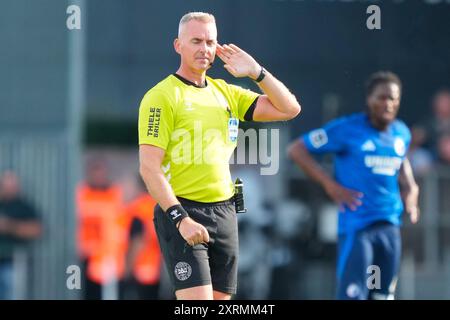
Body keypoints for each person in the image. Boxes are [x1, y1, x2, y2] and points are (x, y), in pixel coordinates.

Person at [138, 12, 300, 300]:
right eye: (196, 41)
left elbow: (289, 109)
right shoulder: (161, 96)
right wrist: (181, 219)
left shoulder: (225, 92)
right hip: (184, 210)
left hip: (224, 213)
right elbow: (149, 168)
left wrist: (256, 72)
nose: (204, 49)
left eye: (211, 42)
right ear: (178, 45)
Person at [288, 71, 419, 300]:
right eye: (382, 97)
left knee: (382, 296)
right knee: (354, 295)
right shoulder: (347, 129)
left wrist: (412, 191)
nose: (388, 104)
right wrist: (330, 185)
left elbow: (402, 162)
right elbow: (296, 149)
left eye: (393, 98)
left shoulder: (401, 132)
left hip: (390, 228)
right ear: (369, 99)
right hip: (358, 227)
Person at [76, 158, 128, 300]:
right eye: (95, 173)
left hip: (109, 256)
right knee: (81, 290)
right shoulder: (82, 192)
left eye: (101, 172)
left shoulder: (115, 192)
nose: (98, 177)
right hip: (83, 254)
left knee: (109, 293)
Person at [0, 171, 42, 300]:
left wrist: (9, 226)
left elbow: (36, 230)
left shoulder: (24, 207)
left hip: (12, 263)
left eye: (12, 185)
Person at [123, 176, 162, 299]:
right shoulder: (158, 206)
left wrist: (127, 268)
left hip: (139, 267)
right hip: (157, 266)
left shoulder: (138, 208)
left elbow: (137, 241)